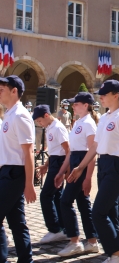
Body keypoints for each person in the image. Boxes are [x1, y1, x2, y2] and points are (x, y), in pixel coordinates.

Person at [68, 80, 119, 263]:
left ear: (116, 95)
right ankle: (114, 251)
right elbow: (95, 145)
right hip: (104, 164)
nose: (100, 97)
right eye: (100, 95)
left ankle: (118, 254)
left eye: (104, 94)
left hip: (117, 165)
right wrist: (80, 167)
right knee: (109, 211)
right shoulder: (104, 118)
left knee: (98, 212)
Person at [54, 92, 99, 257]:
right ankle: (92, 241)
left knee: (65, 201)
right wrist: (61, 171)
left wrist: (88, 177)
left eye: (76, 103)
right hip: (75, 162)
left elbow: (92, 152)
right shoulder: (79, 122)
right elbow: (71, 152)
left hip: (82, 164)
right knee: (82, 203)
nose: (72, 106)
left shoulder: (88, 123)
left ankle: (75, 241)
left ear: (85, 105)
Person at [0, 75, 36, 263]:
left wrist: (29, 184)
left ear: (14, 91)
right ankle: (25, 260)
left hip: (14, 173)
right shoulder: (10, 114)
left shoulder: (20, 115)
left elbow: (28, 151)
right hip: (7, 171)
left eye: (2, 89)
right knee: (17, 223)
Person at [34, 105, 69, 243]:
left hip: (60, 163)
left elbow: (67, 150)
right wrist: (46, 165)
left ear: (46, 116)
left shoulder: (58, 128)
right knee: (56, 196)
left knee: (46, 195)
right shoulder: (50, 127)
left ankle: (54, 228)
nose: (39, 123)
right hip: (55, 161)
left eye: (39, 120)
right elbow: (54, 151)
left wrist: (63, 171)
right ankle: (63, 227)